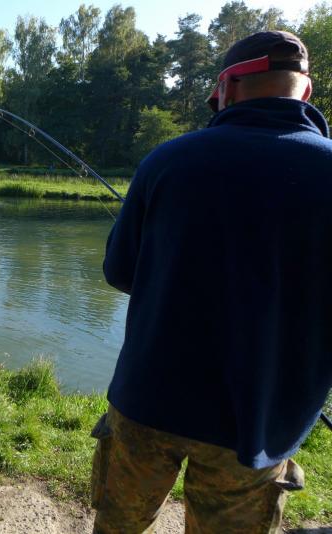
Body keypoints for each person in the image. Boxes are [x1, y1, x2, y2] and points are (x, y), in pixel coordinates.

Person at [94, 31, 332, 533]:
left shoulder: (167, 160)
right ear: (306, 90)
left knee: (119, 526)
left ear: (227, 87)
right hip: (257, 424)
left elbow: (119, 272)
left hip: (148, 400)